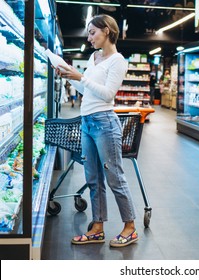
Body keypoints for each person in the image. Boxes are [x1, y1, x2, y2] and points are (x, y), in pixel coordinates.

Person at [55, 14, 138, 248]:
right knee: (93, 178)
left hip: (104, 122)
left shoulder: (118, 60)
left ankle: (130, 227)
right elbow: (87, 89)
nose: (89, 38)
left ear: (108, 31)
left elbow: (108, 94)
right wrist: (71, 78)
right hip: (87, 121)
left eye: (93, 32)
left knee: (115, 178)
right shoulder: (93, 57)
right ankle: (97, 227)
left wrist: (81, 76)